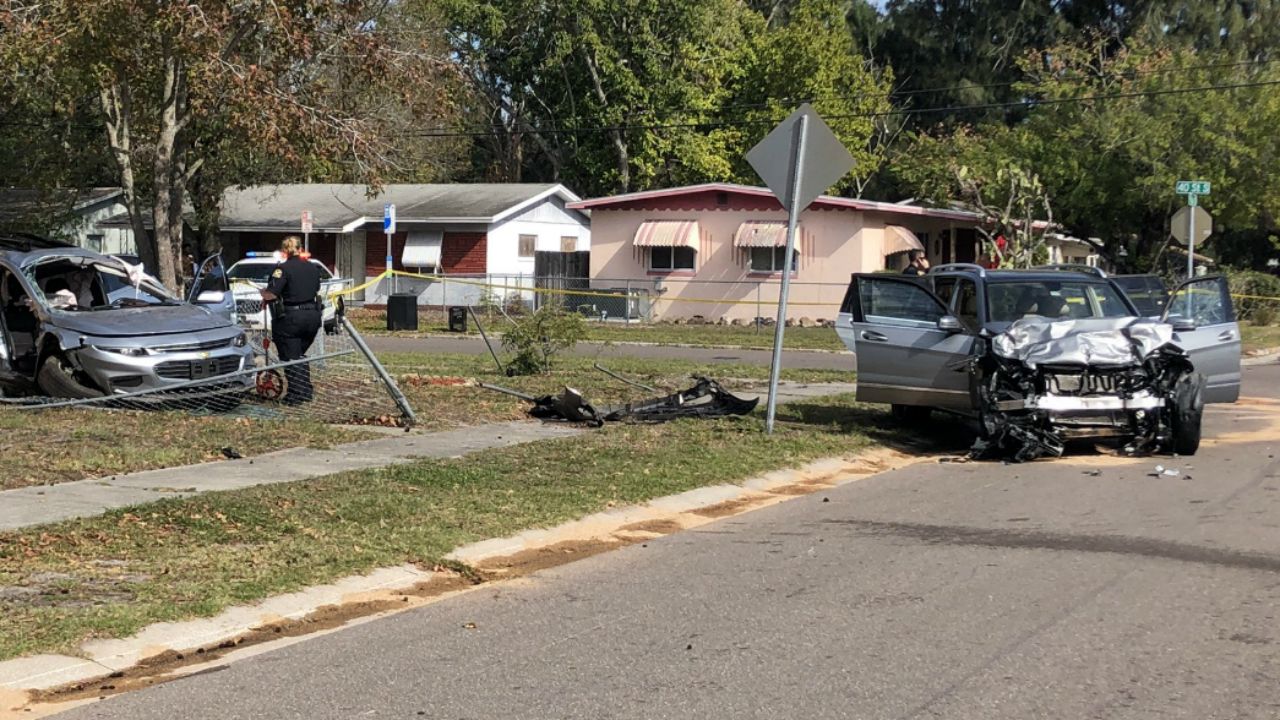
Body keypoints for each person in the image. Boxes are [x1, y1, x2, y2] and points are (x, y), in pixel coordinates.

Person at [260, 236, 323, 404]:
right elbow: (316, 288)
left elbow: (272, 293)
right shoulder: (313, 268)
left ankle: (296, 396)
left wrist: (263, 292)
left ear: (284, 251)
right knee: (300, 356)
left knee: (290, 357)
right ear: (300, 249)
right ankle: (305, 391)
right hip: (313, 317)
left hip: (291, 319)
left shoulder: (282, 269)